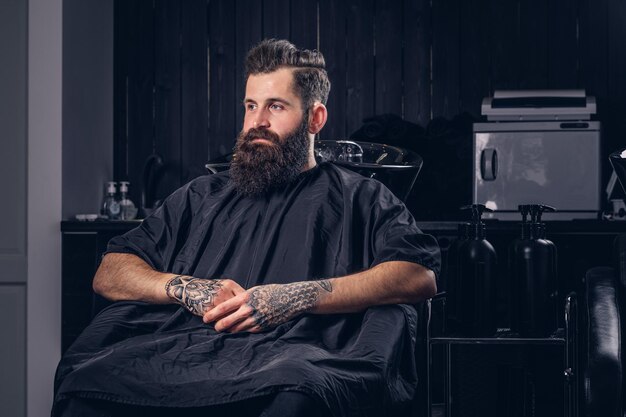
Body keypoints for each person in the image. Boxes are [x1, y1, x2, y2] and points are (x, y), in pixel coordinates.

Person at [52, 39, 440, 417]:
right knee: (88, 385)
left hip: (295, 358)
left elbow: (417, 276)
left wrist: (293, 298)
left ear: (315, 118)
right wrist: (187, 288)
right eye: (250, 106)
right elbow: (111, 271)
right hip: (183, 352)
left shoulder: (363, 197)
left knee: (296, 394)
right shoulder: (200, 195)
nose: (257, 123)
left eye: (275, 106)